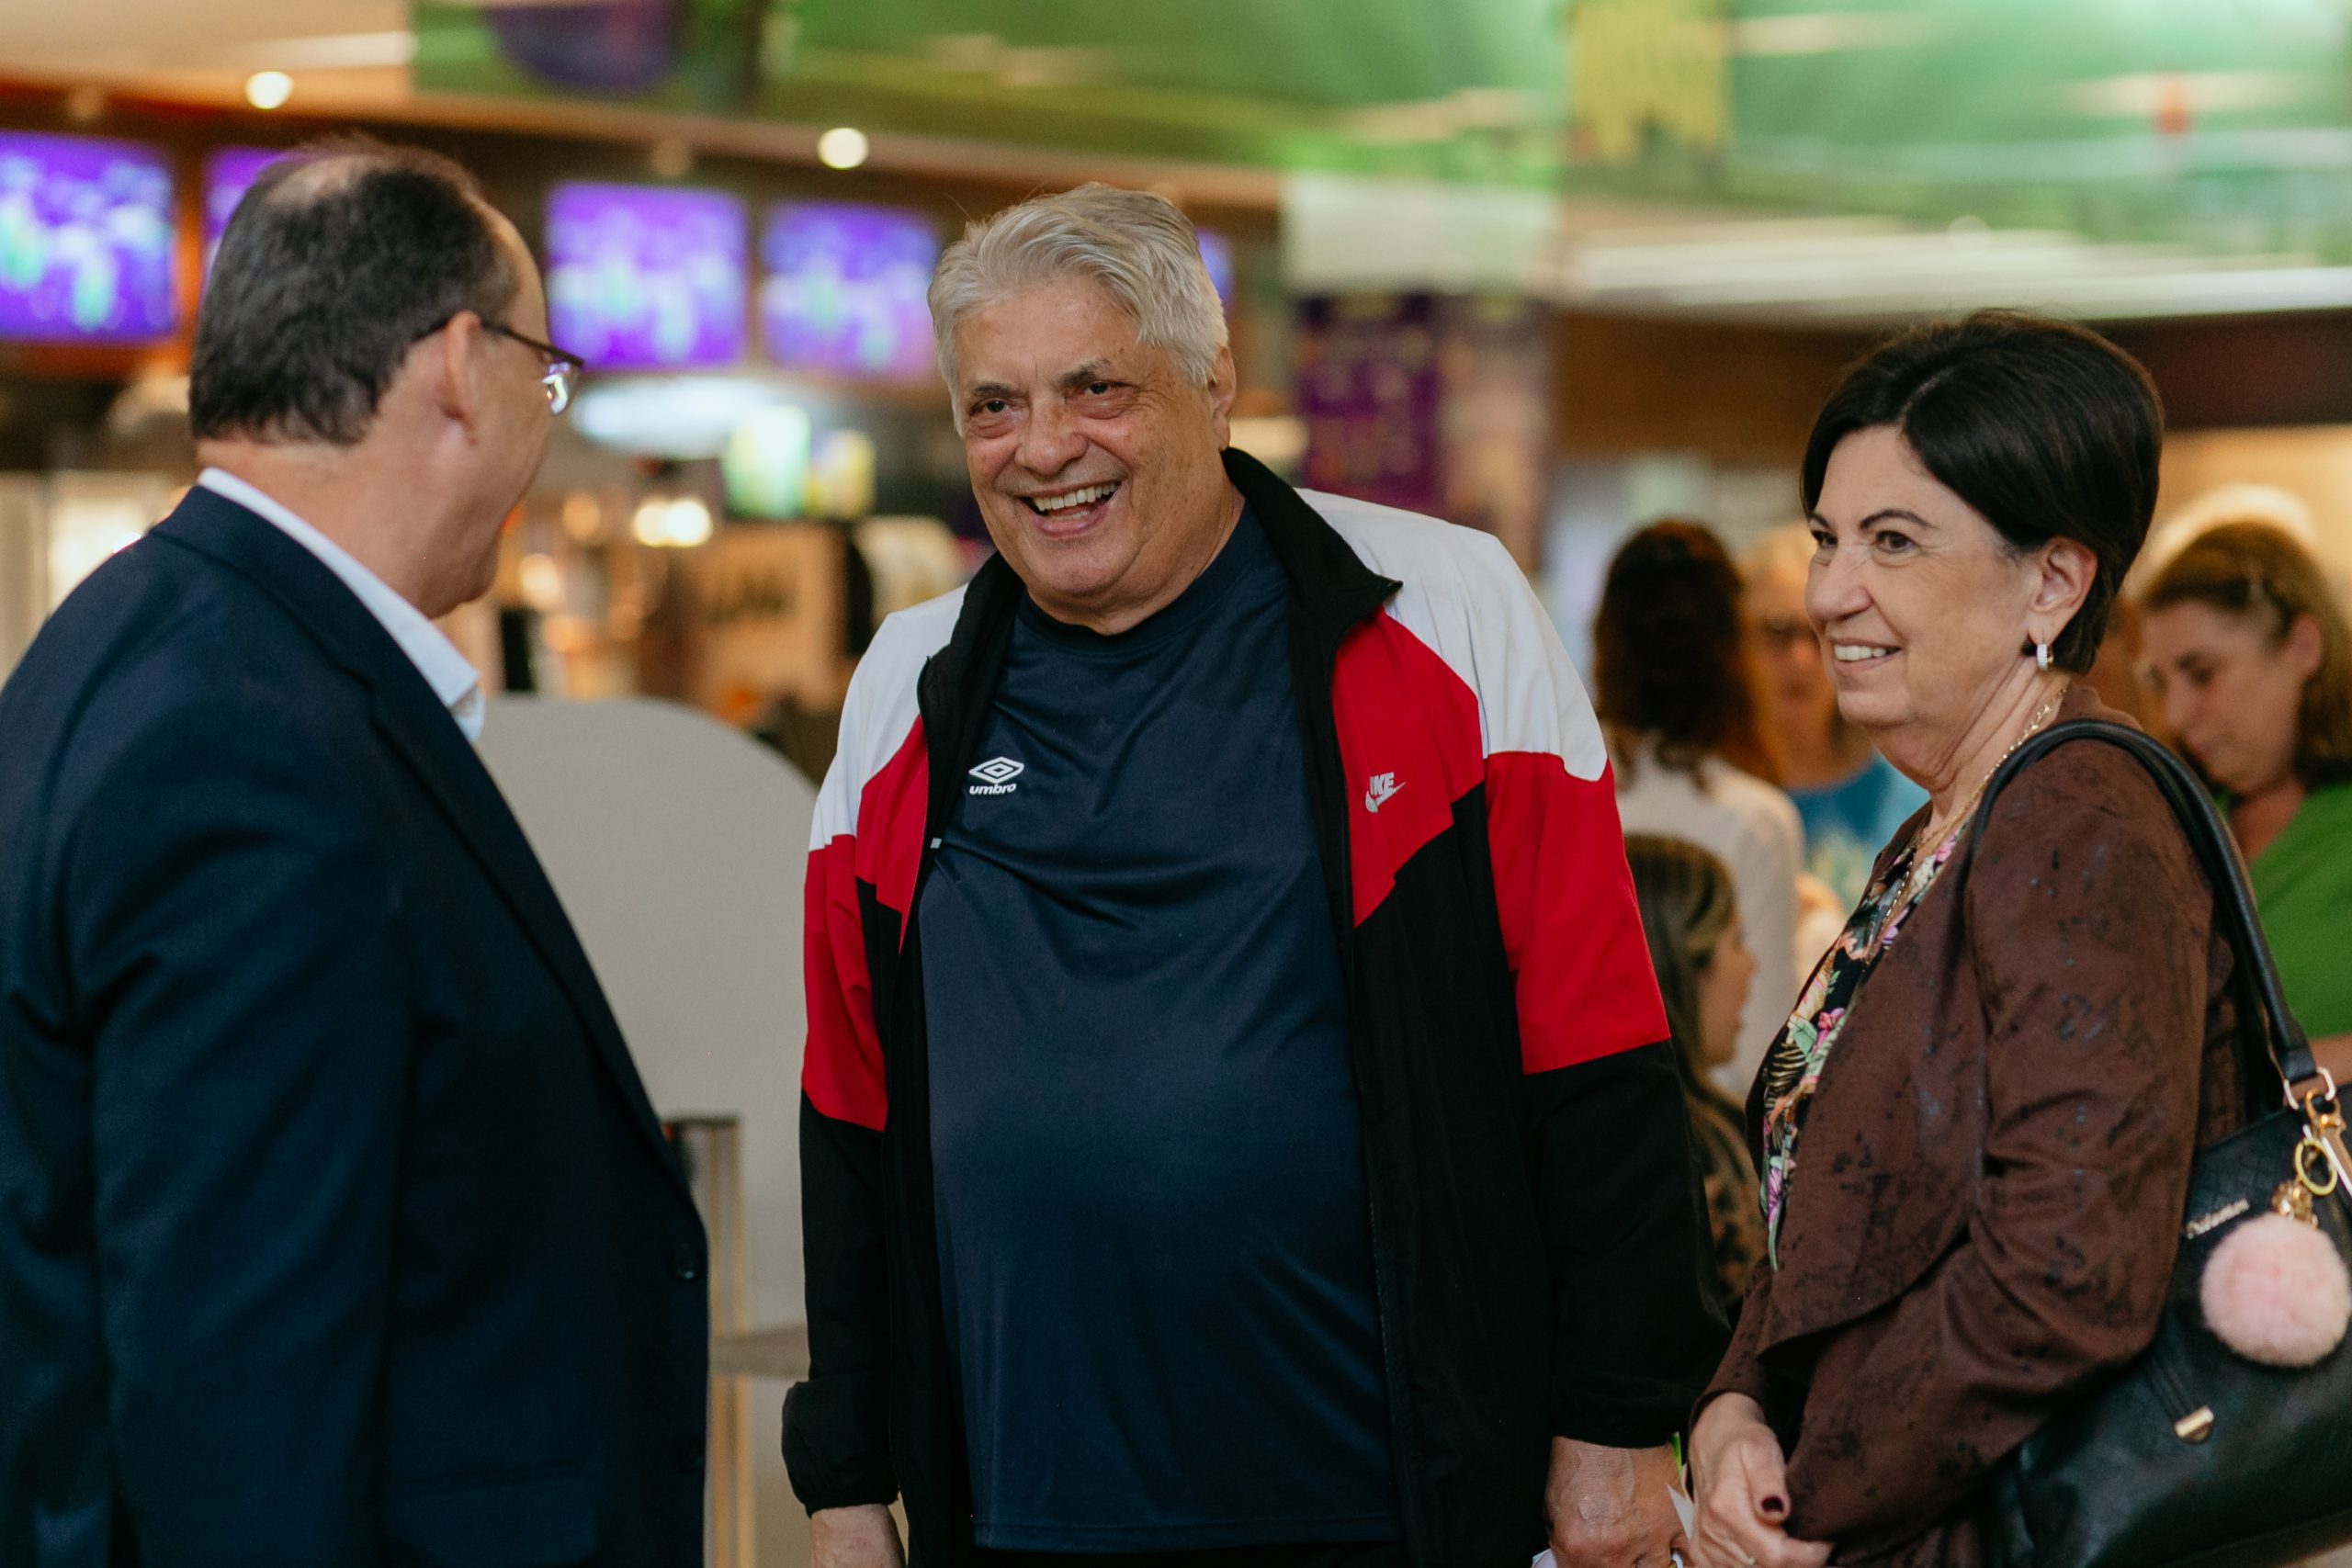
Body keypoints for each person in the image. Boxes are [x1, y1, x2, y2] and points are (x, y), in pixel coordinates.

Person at [787, 184, 1724, 1568]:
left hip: (1388, 1502)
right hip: (1025, 1507)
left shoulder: (1447, 610)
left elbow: (1596, 1047)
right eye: (994, 405)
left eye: (1095, 387)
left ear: (1214, 383)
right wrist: (847, 1484)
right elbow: (849, 1112)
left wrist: (1620, 1418)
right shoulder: (905, 686)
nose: (1044, 448)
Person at [0, 141, 708, 1566]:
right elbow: (238, 1391)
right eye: (544, 374)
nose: (543, 422)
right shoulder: (248, 739)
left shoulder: (138, 639)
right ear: (458, 365)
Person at [1690, 311, 2245, 1568]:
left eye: (1892, 541)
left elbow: (2068, 1269)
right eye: (1827, 537)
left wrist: (1804, 1487)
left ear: (2052, 583)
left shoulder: (2078, 817)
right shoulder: (1952, 820)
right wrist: (1732, 1411)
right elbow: (1831, 1212)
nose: (1829, 592)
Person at [1594, 521, 1805, 1096]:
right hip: (1706, 1129)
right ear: (1732, 651)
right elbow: (1761, 1062)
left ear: (1607, 640)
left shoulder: (1563, 791)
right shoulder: (1754, 820)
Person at [2142, 520, 2352, 1074]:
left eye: (2202, 674)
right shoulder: (2182, 822)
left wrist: (2289, 1077)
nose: (2174, 716)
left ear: (2303, 648)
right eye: (2161, 683)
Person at [1744, 525, 1926, 908]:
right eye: (1777, 630)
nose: (1801, 659)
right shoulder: (1705, 787)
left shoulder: (1909, 796)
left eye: (1822, 630)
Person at [1623, 835, 1767, 1305]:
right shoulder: (1703, 1148)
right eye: (1736, 941)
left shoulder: (1608, 1130)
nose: (1751, 964)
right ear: (1686, 962)